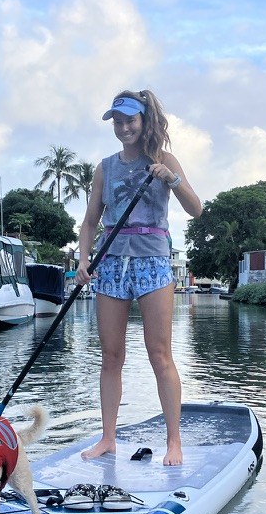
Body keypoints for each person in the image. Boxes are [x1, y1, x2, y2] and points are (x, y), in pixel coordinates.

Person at [76, 90, 202, 466]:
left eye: (130, 120)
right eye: (118, 121)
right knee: (111, 356)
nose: (124, 127)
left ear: (144, 121)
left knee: (160, 354)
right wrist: (84, 261)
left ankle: (174, 442)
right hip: (112, 264)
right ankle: (108, 439)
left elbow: (196, 209)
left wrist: (173, 178)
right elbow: (89, 222)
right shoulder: (105, 167)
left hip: (154, 264)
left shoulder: (163, 159)